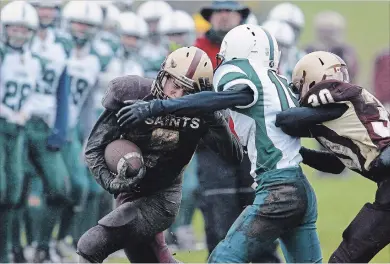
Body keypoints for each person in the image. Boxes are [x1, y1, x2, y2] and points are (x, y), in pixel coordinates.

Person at [116, 24, 322, 263]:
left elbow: (232, 96)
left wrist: (159, 106)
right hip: (301, 189)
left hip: (278, 190)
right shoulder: (280, 84)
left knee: (222, 259)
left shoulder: (241, 71)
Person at [76, 46, 243, 263]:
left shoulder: (201, 112)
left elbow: (233, 156)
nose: (178, 94)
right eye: (175, 84)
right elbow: (96, 146)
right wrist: (110, 182)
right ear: (163, 75)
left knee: (91, 245)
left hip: (162, 197)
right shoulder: (132, 93)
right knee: (151, 259)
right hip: (128, 193)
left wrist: (214, 119)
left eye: (188, 91)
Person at [275, 51, 390, 263]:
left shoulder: (339, 97)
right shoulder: (345, 119)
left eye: (299, 86)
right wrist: (296, 152)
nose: (298, 92)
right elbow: (335, 166)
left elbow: (286, 120)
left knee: (345, 258)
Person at [20, 1, 72, 262]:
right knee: (14, 190)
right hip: (16, 123)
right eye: (40, 7)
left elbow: (64, 89)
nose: (45, 13)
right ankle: (15, 248)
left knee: (60, 188)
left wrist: (61, 127)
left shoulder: (61, 44)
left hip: (45, 124)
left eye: (50, 7)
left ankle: (42, 245)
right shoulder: (15, 39)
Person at [0, 1, 45, 262]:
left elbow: (33, 94)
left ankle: (5, 252)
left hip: (17, 129)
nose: (19, 33)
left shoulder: (33, 60)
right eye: (14, 28)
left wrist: (25, 111)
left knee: (12, 194)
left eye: (24, 29)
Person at [305, 11, 359, 83]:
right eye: (324, 31)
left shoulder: (345, 53)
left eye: (330, 32)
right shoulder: (308, 51)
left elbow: (352, 76)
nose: (327, 36)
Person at [195, 0, 249, 68]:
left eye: (229, 10)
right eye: (218, 11)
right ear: (210, 17)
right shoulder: (198, 50)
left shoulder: (252, 47)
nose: (224, 16)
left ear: (240, 16)